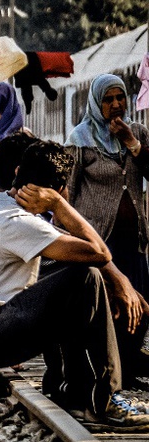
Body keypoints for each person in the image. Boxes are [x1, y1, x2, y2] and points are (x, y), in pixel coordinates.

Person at [0, 140, 149, 427]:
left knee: (70, 277)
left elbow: (78, 254)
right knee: (85, 277)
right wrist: (60, 205)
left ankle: (67, 388)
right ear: (58, 189)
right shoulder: (20, 222)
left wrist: (117, 279)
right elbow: (100, 252)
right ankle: (102, 400)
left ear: (17, 172)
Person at [64, 74, 149, 386]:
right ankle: (109, 371)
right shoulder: (79, 140)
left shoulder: (137, 133)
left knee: (141, 299)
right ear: (96, 104)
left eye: (120, 98)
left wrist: (132, 143)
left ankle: (127, 364)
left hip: (133, 237)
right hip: (98, 240)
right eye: (108, 100)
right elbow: (67, 195)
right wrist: (68, 239)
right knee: (110, 306)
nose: (115, 105)